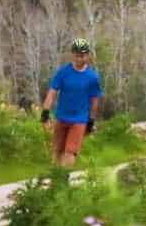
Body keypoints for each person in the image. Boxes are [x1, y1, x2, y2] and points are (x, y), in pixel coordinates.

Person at [41, 38, 104, 168]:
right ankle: (55, 176)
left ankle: (64, 176)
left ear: (87, 55)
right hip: (61, 117)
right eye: (77, 55)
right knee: (57, 150)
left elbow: (94, 100)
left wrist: (91, 121)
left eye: (82, 55)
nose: (79, 58)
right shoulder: (63, 72)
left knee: (70, 152)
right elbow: (52, 92)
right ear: (72, 55)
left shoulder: (92, 77)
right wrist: (45, 112)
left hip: (79, 120)